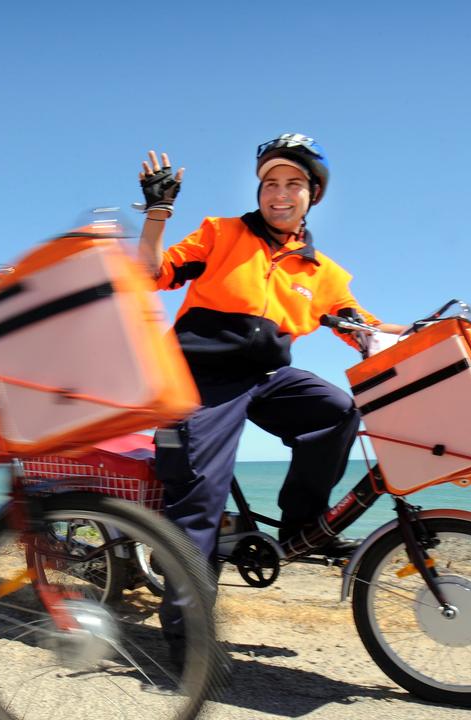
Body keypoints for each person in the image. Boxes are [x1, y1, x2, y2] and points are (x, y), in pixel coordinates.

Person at [135, 135, 403, 643]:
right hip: (199, 379)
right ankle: (187, 645)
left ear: (313, 194)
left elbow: (367, 329)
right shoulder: (221, 233)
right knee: (198, 501)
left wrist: (430, 335)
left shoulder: (321, 272)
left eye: (294, 184)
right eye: (270, 183)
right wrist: (159, 211)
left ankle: (301, 527)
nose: (280, 193)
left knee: (336, 410)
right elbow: (152, 273)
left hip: (265, 378)